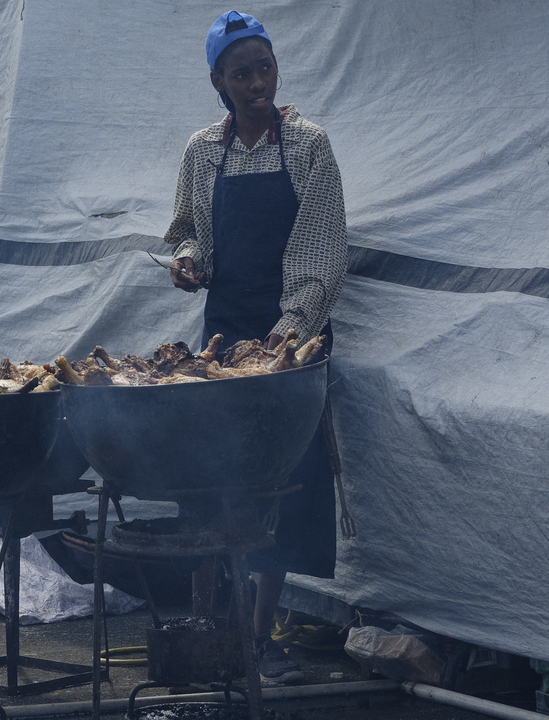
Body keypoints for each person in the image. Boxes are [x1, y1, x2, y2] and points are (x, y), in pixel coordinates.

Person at [162, 10, 348, 686]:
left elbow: (321, 255)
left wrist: (283, 342)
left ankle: (259, 639)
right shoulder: (201, 151)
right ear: (218, 80)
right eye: (241, 73)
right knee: (209, 478)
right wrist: (186, 261)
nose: (256, 83)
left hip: (289, 344)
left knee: (282, 487)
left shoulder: (306, 146)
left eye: (263, 68)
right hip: (222, 335)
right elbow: (187, 229)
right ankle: (203, 628)